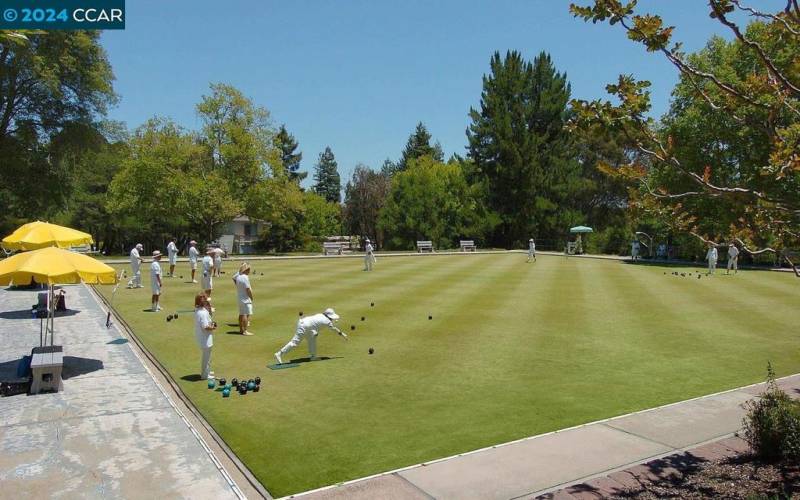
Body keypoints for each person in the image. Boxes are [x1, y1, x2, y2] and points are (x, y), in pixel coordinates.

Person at [274, 308, 348, 364]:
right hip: (304, 326)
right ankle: (279, 354)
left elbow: (315, 324)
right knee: (295, 343)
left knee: (312, 338)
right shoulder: (327, 321)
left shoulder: (320, 314)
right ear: (329, 316)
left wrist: (314, 332)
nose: (332, 319)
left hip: (306, 325)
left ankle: (313, 357)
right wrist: (342, 334)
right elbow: (334, 329)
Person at [194, 293, 217, 380]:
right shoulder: (202, 313)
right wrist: (213, 328)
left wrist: (209, 306)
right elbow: (205, 327)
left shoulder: (200, 310)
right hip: (205, 337)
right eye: (206, 300)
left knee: (208, 355)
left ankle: (207, 370)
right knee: (206, 356)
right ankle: (204, 375)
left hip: (204, 337)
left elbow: (209, 313)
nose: (208, 302)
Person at [234, 263, 254, 336]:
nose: (249, 271)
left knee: (241, 314)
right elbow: (248, 289)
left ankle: (241, 330)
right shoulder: (245, 277)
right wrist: (251, 297)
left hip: (240, 297)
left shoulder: (238, 277)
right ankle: (245, 331)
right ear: (246, 270)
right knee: (245, 314)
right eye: (249, 269)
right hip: (245, 298)